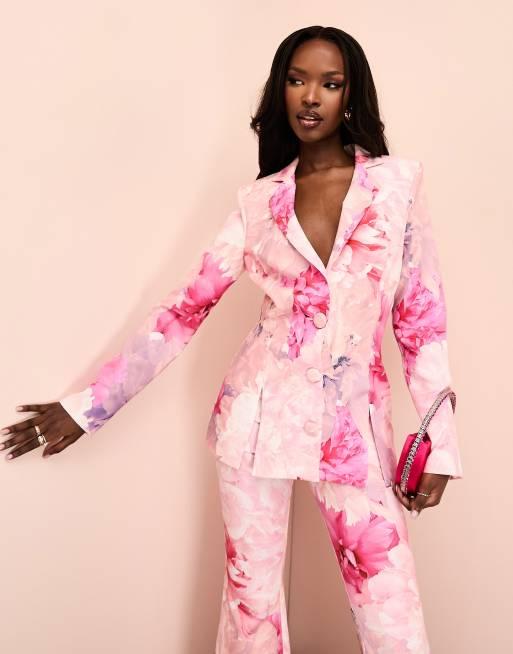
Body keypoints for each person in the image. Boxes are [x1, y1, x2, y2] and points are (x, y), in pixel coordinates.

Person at [1, 25, 463, 654]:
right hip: (255, 422)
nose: (310, 97)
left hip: (354, 430)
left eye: (329, 83)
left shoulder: (398, 185)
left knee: (391, 609)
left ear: (351, 95)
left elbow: (421, 319)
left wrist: (439, 445)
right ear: (280, 90)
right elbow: (184, 309)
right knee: (253, 612)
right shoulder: (258, 202)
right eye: (297, 80)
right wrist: (88, 408)